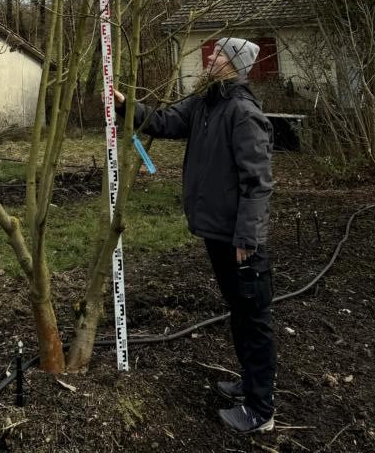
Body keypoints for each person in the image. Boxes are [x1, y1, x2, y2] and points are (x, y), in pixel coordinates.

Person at [114, 37, 276, 433]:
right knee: (239, 311)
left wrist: (247, 239)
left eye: (219, 55)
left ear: (234, 66)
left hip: (239, 240)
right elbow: (165, 122)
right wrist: (123, 104)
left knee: (254, 318)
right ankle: (248, 384)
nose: (210, 58)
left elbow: (257, 183)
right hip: (216, 231)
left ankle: (261, 410)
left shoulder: (243, 112)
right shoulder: (206, 102)